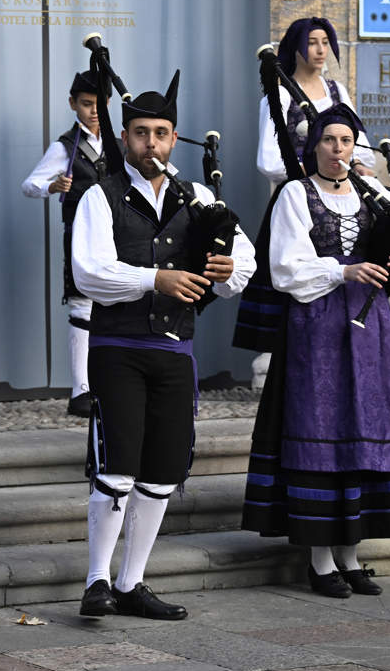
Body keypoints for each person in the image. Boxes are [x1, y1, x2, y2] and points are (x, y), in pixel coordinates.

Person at [71, 72, 256, 620]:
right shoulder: (100, 196)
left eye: (161, 133)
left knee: (161, 473)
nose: (151, 143)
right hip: (117, 347)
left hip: (176, 351)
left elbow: (242, 261)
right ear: (124, 138)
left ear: (175, 139)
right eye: (141, 133)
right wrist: (155, 279)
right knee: (116, 467)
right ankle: (96, 580)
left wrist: (226, 270)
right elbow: (89, 272)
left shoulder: (196, 196)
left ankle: (132, 583)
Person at [241, 103, 390, 598]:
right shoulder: (295, 194)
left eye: (346, 141)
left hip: (371, 331)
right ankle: (321, 560)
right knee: (322, 425)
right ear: (315, 146)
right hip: (317, 327)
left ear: (356, 146)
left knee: (364, 428)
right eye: (329, 140)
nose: (338, 149)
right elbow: (285, 266)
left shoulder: (373, 192)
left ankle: (351, 555)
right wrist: (342, 270)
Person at [22, 70, 112, 417]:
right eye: (86, 104)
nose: (92, 111)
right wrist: (52, 187)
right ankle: (81, 391)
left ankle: (110, 383)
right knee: (82, 308)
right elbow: (29, 184)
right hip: (80, 235)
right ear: (72, 104)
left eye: (99, 104)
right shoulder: (64, 147)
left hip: (118, 237)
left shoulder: (120, 144)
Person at [257, 18, 376, 186]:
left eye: (325, 43)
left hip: (340, 185)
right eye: (312, 43)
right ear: (295, 47)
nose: (321, 50)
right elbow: (269, 160)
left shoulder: (337, 91)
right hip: (300, 188)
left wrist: (357, 164)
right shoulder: (281, 96)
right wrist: (315, 168)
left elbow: (358, 142)